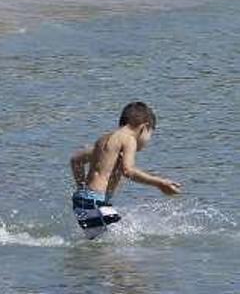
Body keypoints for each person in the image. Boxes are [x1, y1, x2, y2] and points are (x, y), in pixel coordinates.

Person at [70, 102, 181, 240]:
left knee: (101, 244)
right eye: (150, 134)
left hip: (82, 200)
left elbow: (76, 160)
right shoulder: (129, 139)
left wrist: (81, 187)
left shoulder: (105, 140)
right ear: (144, 127)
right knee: (125, 242)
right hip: (95, 201)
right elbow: (128, 171)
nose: (147, 141)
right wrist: (159, 183)